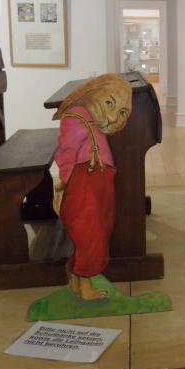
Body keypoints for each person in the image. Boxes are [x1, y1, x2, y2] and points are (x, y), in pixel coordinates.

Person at [52, 74, 132, 300]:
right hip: (86, 187)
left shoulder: (90, 119)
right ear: (91, 94)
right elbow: (67, 154)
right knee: (91, 235)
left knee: (97, 233)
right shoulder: (78, 116)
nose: (113, 117)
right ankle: (85, 286)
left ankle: (76, 278)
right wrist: (64, 186)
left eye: (122, 112)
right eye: (109, 103)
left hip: (99, 183)